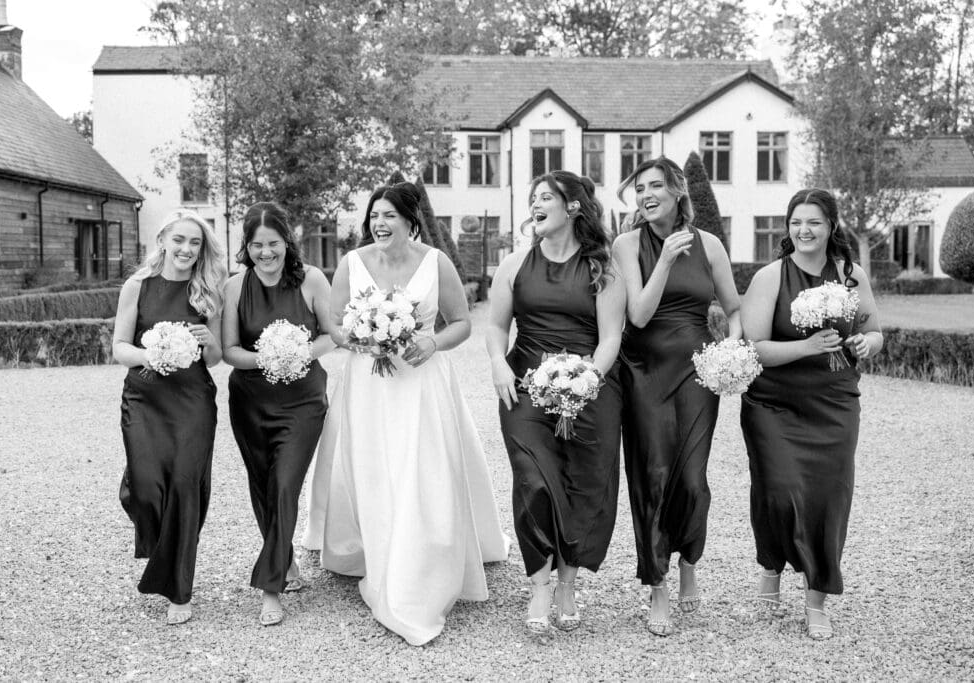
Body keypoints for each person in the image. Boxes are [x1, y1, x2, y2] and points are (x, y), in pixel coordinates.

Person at [305, 182, 509, 646]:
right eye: (374, 215)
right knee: (375, 470)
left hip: (421, 381)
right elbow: (334, 324)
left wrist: (431, 341)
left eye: (389, 215)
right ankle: (376, 550)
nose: (379, 223)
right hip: (368, 386)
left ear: (410, 220)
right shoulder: (352, 264)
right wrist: (360, 338)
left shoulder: (436, 263)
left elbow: (461, 322)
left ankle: (422, 566)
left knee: (423, 470)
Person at [740, 188, 882, 640]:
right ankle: (771, 565)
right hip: (773, 403)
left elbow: (875, 331)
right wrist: (807, 346)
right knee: (778, 489)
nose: (804, 230)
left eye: (814, 222)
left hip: (833, 402)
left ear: (831, 227)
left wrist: (865, 344)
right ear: (787, 228)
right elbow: (754, 348)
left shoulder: (850, 274)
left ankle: (817, 595)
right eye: (796, 222)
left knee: (828, 496)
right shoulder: (769, 278)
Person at [487, 170, 625, 635]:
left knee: (584, 483)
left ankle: (568, 583)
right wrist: (497, 364)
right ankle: (539, 584)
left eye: (545, 197)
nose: (535, 204)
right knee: (533, 479)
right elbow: (494, 327)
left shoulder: (601, 268)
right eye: (533, 197)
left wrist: (586, 380)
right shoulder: (514, 264)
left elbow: (610, 338)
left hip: (591, 388)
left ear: (573, 207)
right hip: (524, 386)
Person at [612, 157, 742, 636]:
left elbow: (734, 307)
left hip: (697, 371)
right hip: (643, 370)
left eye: (655, 187)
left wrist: (732, 346)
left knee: (691, 477)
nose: (646, 196)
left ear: (677, 193)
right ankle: (658, 584)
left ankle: (689, 559)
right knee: (653, 475)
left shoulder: (709, 244)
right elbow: (639, 315)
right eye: (639, 188)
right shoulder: (626, 244)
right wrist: (665, 258)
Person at [222, 202, 338, 626]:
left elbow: (332, 335)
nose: (265, 253)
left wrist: (299, 353)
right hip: (250, 401)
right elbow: (230, 351)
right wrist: (269, 357)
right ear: (246, 247)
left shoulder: (311, 279)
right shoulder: (235, 287)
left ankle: (270, 588)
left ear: (287, 242)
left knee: (286, 483)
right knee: (263, 484)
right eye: (257, 246)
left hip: (303, 401)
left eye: (273, 244)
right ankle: (284, 558)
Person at [112, 209, 226, 625]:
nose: (186, 249)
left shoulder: (208, 290)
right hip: (144, 398)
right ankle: (162, 542)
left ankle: (179, 589)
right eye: (179, 240)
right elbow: (119, 347)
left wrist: (209, 339)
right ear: (162, 240)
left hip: (193, 402)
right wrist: (152, 355)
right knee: (143, 487)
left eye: (195, 243)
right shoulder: (137, 286)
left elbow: (213, 359)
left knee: (183, 486)